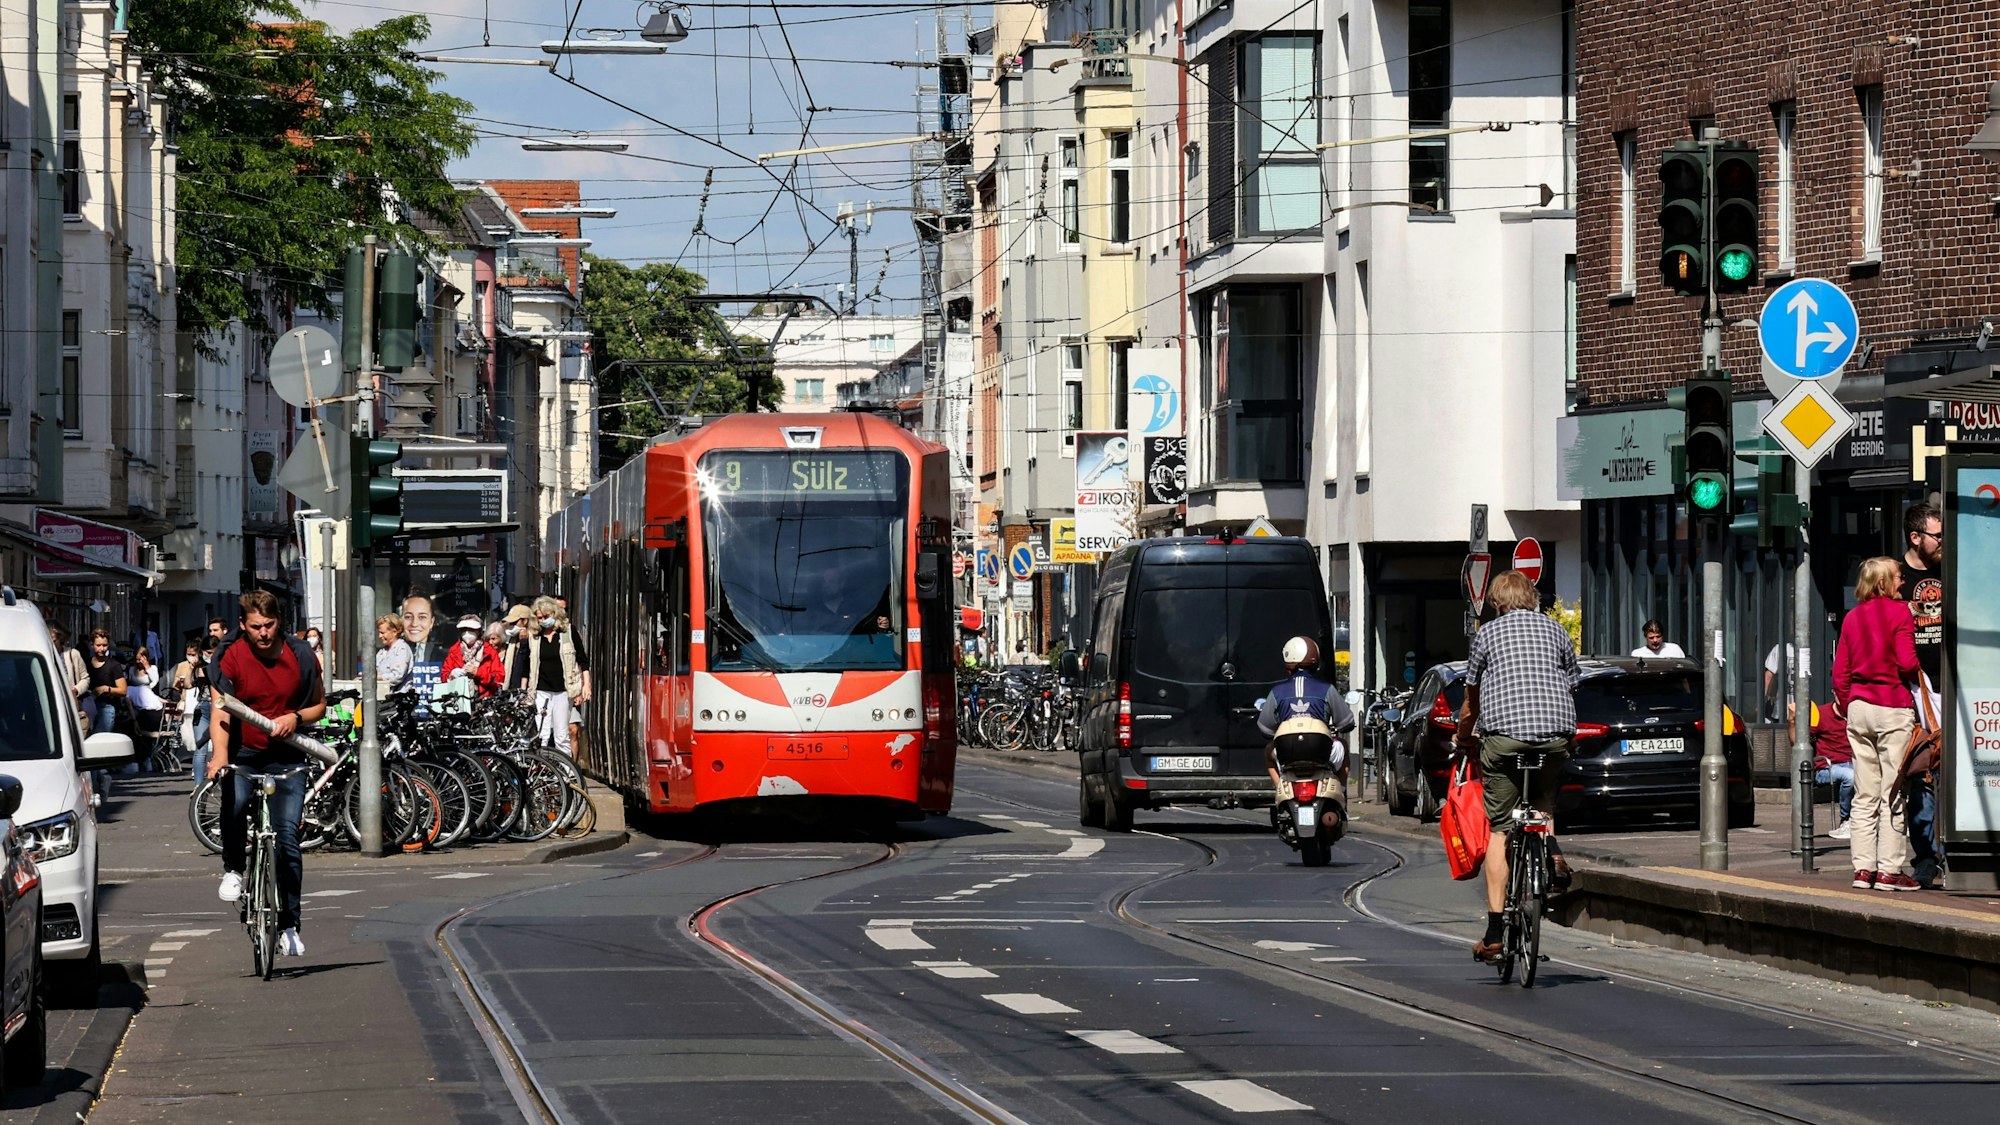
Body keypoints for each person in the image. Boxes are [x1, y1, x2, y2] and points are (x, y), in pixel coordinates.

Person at [1452, 570, 1579, 964]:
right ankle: (1550, 844)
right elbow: (1573, 682)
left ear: (1496, 602)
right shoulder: (1556, 631)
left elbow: (1471, 698)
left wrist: (1463, 735)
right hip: (1556, 734)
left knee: (1501, 831)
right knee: (1544, 798)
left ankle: (1493, 932)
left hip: (1504, 738)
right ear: (1533, 597)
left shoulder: (1487, 635)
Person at [208, 590, 327, 959]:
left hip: (288, 756)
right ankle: (233, 868)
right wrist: (220, 757)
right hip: (245, 753)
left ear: (280, 623)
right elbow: (221, 712)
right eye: (256, 626)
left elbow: (319, 706)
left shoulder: (300, 655)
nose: (263, 633)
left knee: (288, 838)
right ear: (243, 626)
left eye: (269, 625)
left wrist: (295, 718)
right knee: (237, 798)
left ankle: (289, 924)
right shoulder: (230, 656)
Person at [1831, 557, 1920, 892]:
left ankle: (1862, 870)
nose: (1903, 582)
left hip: (1858, 709)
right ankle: (1889, 871)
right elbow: (1907, 662)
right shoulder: (1900, 613)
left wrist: (1844, 701)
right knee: (1893, 792)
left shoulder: (1853, 618)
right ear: (1884, 582)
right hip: (1892, 707)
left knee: (1864, 793)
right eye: (1898, 578)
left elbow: (1841, 672)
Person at [1256, 636, 1355, 832]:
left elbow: (1265, 728)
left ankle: (1281, 789)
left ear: (1288, 662)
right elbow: (1347, 722)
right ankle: (1341, 794)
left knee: (1268, 751)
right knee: (1343, 748)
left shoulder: (1277, 692)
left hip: (1286, 754)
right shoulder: (1327, 689)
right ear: (1315, 661)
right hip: (1322, 753)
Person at [1898, 503, 1944, 883]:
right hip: (1915, 689)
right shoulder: (1896, 577)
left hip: (1956, 684)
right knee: (1922, 772)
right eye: (1937, 535)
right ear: (1916, 537)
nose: (1943, 542)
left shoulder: (1952, 568)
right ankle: (1926, 855)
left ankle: (1958, 848)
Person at [524, 595, 590, 755]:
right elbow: (527, 665)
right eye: (539, 618)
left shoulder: (568, 632)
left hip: (563, 690)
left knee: (561, 735)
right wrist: (525, 691)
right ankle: (542, 770)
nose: (543, 620)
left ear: (554, 613)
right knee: (542, 734)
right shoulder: (534, 636)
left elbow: (583, 660)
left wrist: (586, 684)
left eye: (546, 617)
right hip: (541, 690)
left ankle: (566, 773)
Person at [440, 614, 506, 698]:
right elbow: (444, 676)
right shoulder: (454, 650)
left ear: (479, 631)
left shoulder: (489, 651)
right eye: (463, 629)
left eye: (471, 629)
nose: (467, 632)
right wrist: (452, 675)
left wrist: (478, 672)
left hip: (484, 700)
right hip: (459, 700)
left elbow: (499, 678)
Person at [85, 629, 129, 735]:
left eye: (104, 645)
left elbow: (123, 690)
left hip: (107, 707)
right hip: (88, 706)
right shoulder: (86, 663)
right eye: (98, 645)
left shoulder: (114, 665)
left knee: (100, 738)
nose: (102, 649)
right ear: (92, 645)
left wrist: (105, 689)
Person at [376, 614, 415, 695]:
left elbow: (397, 676)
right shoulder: (382, 651)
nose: (380, 636)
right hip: (382, 698)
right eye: (379, 633)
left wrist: (376, 677)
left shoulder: (402, 649)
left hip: (397, 700)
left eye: (382, 633)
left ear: (394, 631)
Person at [401, 594, 441, 664]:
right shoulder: (386, 655)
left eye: (422, 617)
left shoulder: (444, 657)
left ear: (431, 622)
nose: (414, 624)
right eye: (408, 617)